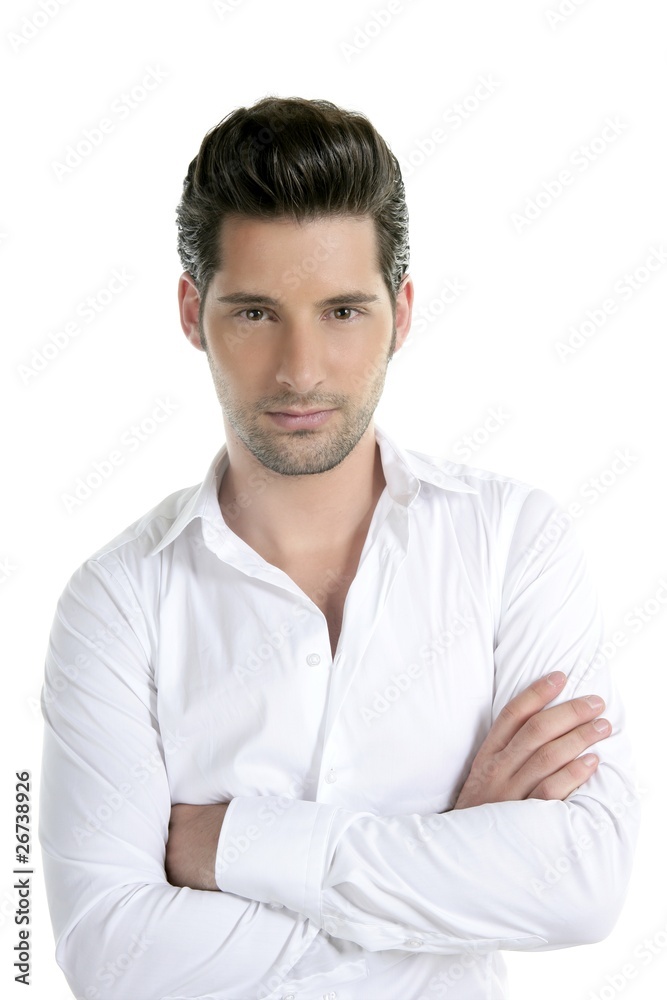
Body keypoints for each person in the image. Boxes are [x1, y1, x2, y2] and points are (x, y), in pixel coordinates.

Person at [39, 96, 640, 1000]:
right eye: (254, 313)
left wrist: (230, 844)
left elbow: (582, 884)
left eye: (343, 311)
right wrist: (447, 856)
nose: (301, 370)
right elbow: (111, 954)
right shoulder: (117, 601)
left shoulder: (512, 542)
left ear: (401, 312)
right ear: (192, 312)